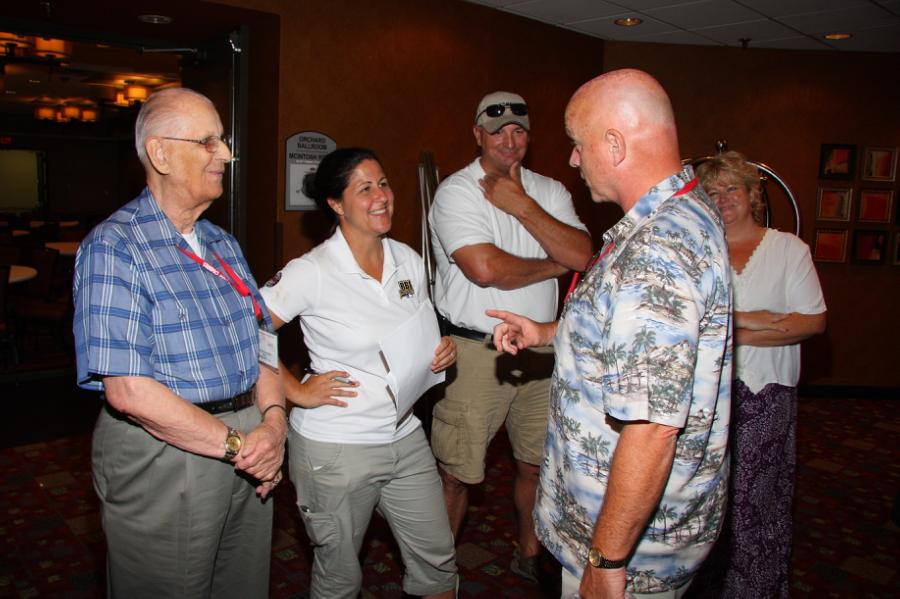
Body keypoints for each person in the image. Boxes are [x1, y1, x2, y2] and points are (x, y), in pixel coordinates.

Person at [489, 69, 733, 598]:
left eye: (578, 144)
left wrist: (606, 560)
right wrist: (547, 332)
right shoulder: (680, 207)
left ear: (616, 145)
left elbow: (651, 428)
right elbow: (630, 339)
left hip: (627, 549)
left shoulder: (655, 251)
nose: (573, 159)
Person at [73, 87, 286, 598]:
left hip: (250, 439)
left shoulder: (222, 243)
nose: (225, 154)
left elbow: (262, 346)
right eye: (207, 141)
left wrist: (275, 425)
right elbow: (128, 390)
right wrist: (238, 446)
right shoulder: (115, 246)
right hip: (168, 453)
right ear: (160, 154)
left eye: (223, 140)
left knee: (243, 586)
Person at [260, 148, 458, 598]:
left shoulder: (407, 259)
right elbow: (245, 328)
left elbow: (415, 328)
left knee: (438, 560)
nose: (381, 196)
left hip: (404, 434)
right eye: (364, 188)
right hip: (338, 447)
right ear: (336, 203)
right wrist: (294, 391)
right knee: (340, 577)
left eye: (383, 183)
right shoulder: (312, 271)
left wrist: (441, 350)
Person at [428, 90, 592, 581]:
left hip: (542, 350)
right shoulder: (456, 191)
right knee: (457, 473)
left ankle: (529, 555)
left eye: (519, 131)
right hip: (476, 351)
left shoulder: (550, 191)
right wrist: (554, 263)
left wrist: (522, 206)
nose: (509, 140)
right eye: (497, 130)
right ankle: (438, 575)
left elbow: (584, 254)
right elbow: (484, 269)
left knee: (536, 467)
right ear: (477, 134)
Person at [694, 151, 826, 597]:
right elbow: (685, 326)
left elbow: (811, 321)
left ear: (752, 194)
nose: (723, 198)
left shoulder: (788, 249)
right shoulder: (698, 252)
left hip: (766, 395)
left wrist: (727, 333)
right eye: (712, 192)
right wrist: (755, 321)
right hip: (705, 398)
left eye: (732, 188)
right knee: (704, 504)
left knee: (756, 503)